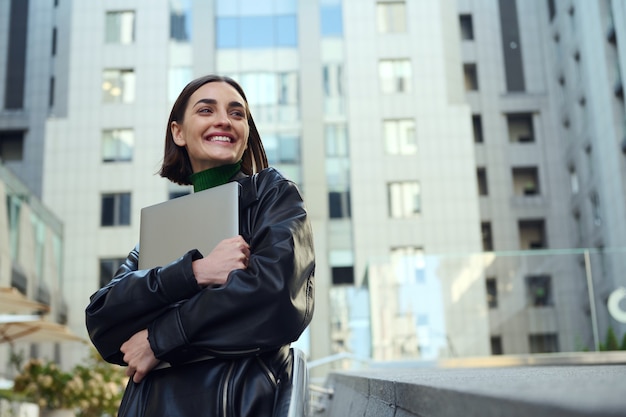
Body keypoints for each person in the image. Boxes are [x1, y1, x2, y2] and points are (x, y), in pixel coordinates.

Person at [85, 75, 315, 417]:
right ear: (178, 132)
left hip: (238, 403)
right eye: (206, 110)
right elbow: (103, 318)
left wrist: (158, 339)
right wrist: (194, 272)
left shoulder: (271, 195)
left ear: (246, 132)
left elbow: (278, 298)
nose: (224, 119)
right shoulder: (164, 226)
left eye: (237, 114)